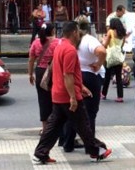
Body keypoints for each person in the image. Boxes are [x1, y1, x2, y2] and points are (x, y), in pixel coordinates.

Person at [32, 21, 111, 164]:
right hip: (67, 95)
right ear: (74, 32)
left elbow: (67, 74)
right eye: (78, 33)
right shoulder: (69, 50)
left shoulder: (59, 46)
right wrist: (73, 97)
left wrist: (81, 86)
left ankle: (41, 152)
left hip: (58, 93)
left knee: (53, 126)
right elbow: (67, 75)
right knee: (83, 125)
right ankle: (96, 150)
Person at [61, 16, 106, 153]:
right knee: (90, 113)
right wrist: (99, 64)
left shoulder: (70, 42)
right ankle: (89, 145)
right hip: (90, 76)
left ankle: (68, 143)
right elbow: (102, 51)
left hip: (76, 77)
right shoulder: (89, 40)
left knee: (73, 112)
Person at [28, 23, 60, 134]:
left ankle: (45, 128)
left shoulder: (36, 42)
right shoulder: (58, 42)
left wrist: (30, 74)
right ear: (52, 31)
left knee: (43, 100)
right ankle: (56, 126)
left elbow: (31, 59)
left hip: (41, 72)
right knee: (56, 99)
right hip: (54, 72)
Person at [101, 18, 126, 102]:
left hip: (110, 57)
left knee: (107, 76)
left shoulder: (110, 32)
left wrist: (103, 40)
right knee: (118, 77)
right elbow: (121, 45)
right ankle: (120, 96)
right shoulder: (122, 33)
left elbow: (105, 45)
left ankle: (103, 94)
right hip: (119, 56)